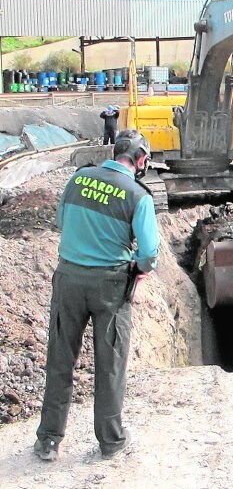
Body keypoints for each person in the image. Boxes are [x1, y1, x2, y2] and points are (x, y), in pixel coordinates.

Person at [34, 130, 160, 462]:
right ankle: (110, 441)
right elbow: (148, 253)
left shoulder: (78, 179)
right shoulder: (138, 196)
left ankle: (48, 440)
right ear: (140, 159)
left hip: (69, 279)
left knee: (60, 359)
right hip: (110, 287)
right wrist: (139, 266)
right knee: (110, 364)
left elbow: (62, 221)